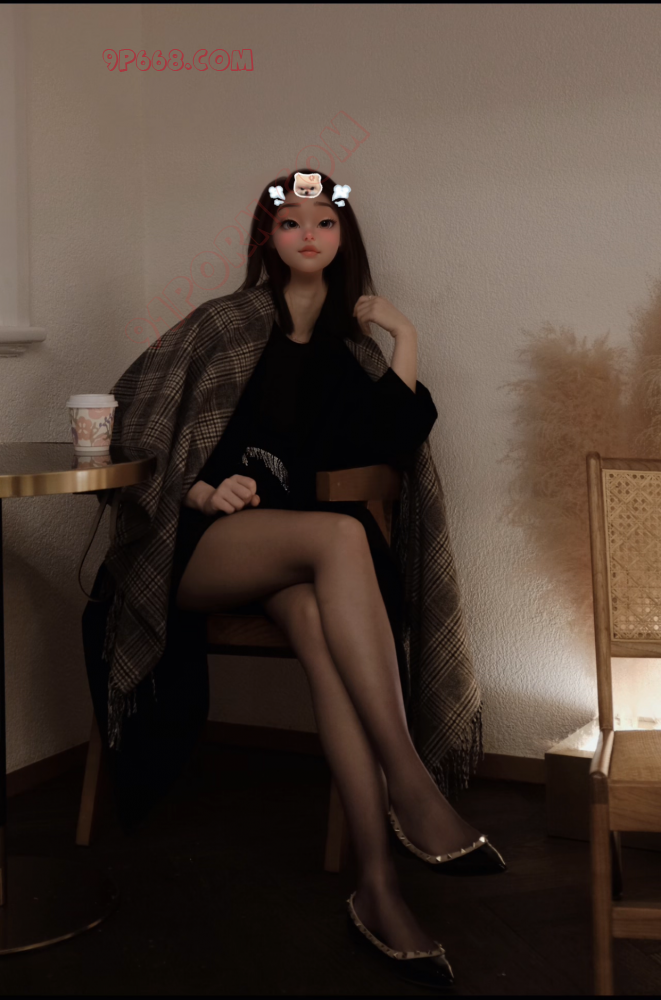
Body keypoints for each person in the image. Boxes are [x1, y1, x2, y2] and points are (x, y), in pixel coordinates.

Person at [167, 170, 506, 990]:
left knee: (324, 621)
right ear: (267, 238)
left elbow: (392, 441)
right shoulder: (222, 323)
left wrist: (404, 336)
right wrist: (202, 490)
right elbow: (145, 423)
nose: (309, 235)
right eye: (291, 223)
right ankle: (411, 784)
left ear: (343, 238)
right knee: (341, 534)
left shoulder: (346, 350)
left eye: (324, 222)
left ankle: (377, 888)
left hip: (297, 559)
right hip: (207, 548)